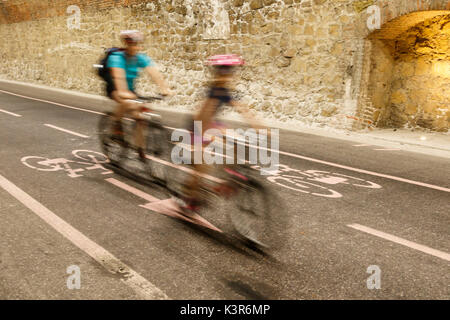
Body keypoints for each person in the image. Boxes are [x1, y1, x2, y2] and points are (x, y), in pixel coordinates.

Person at [175, 54, 265, 214]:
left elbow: (243, 109)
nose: (226, 75)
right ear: (216, 73)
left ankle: (230, 177)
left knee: (238, 142)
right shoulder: (211, 91)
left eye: (229, 71)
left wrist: (259, 126)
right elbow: (200, 119)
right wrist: (207, 138)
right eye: (222, 71)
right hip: (198, 127)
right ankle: (188, 196)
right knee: (203, 165)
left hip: (213, 124)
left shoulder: (228, 91)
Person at [106, 30, 172, 161]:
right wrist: (125, 93)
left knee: (141, 115)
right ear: (126, 43)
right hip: (115, 87)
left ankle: (139, 147)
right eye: (131, 44)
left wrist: (164, 88)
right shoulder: (117, 58)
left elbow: (154, 73)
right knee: (125, 101)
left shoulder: (140, 57)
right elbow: (119, 80)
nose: (135, 47)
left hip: (131, 90)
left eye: (137, 44)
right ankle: (115, 125)